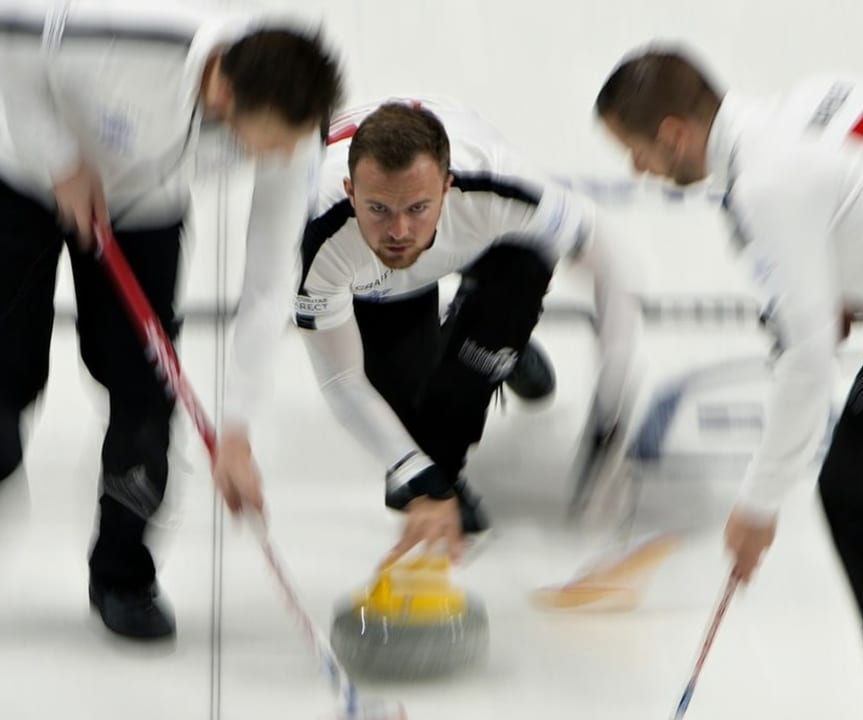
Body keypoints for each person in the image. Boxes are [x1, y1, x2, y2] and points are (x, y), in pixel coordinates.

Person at [596, 46, 863, 719]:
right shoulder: (816, 92)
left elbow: (807, 360)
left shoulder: (765, 184)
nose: (636, 170)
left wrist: (758, 503)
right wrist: (850, 281)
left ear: (675, 132)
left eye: (637, 150)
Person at [0, 2, 344, 639]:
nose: (259, 157)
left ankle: (122, 573)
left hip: (144, 212)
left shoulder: (294, 134)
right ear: (220, 89)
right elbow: (10, 46)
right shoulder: (133, 33)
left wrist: (236, 429)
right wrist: (60, 160)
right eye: (248, 143)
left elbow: (269, 282)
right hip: (21, 181)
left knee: (145, 403)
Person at [297, 100, 637, 566]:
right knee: (409, 438)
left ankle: (496, 340)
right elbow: (340, 379)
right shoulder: (320, 233)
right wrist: (420, 477)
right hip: (379, 283)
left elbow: (612, 268)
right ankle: (482, 344)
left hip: (486, 240)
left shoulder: (500, 188)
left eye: (418, 207)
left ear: (448, 187)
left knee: (450, 416)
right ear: (350, 192)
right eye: (379, 208)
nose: (399, 231)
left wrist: (610, 424)